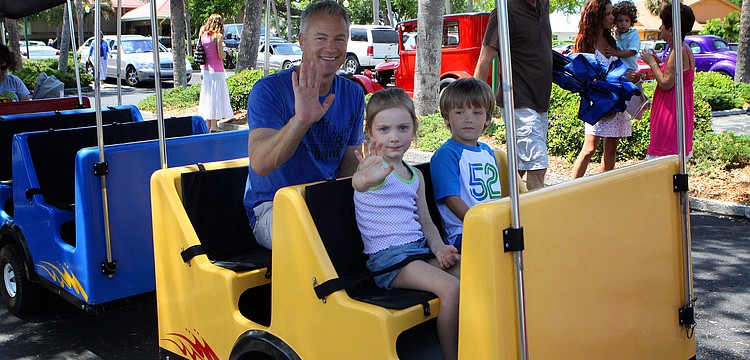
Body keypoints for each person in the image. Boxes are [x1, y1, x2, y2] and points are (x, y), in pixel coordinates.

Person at [243, 0, 364, 250]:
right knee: (317, 235)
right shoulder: (268, 91)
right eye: (321, 38)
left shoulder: (353, 94)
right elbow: (261, 163)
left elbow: (349, 167)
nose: (331, 47)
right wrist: (301, 121)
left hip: (324, 201)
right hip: (274, 208)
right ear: (301, 41)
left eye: (339, 39)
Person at [353, 88, 460, 360]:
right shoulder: (371, 170)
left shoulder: (415, 175)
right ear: (370, 133)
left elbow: (426, 222)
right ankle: (453, 355)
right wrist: (366, 177)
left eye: (402, 127)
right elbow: (360, 185)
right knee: (452, 288)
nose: (394, 137)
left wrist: (439, 248)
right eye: (384, 129)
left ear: (414, 129)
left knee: (475, 272)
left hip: (419, 251)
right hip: (389, 260)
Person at [474, 1, 552, 191]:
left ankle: (504, 209)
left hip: (540, 101)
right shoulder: (505, 10)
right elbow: (485, 59)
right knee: (537, 167)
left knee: (518, 169)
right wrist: (475, 105)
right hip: (518, 101)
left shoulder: (543, 4)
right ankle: (536, 218)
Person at [569, 0, 639, 178]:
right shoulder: (586, 42)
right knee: (589, 148)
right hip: (598, 101)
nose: (612, 18)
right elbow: (582, 75)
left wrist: (627, 78)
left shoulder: (610, 40)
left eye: (611, 14)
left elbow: (620, 65)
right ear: (597, 16)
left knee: (611, 150)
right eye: (607, 14)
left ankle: (603, 190)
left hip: (615, 101)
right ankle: (570, 189)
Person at [431, 78, 502, 252]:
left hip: (491, 225)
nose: (468, 119)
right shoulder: (447, 154)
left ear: (487, 119)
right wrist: (479, 222)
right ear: (447, 119)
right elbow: (451, 198)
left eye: (477, 113)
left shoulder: (488, 152)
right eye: (460, 112)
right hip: (464, 232)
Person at [640, 3, 695, 159]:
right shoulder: (684, 49)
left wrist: (651, 62)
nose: (660, 29)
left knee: (665, 161)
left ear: (671, 29)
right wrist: (659, 64)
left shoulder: (678, 51)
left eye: (662, 25)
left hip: (671, 115)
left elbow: (666, 83)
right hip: (677, 112)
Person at [197, 14, 233, 133]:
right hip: (217, 70)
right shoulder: (218, 36)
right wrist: (228, 53)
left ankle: (208, 124)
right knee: (216, 97)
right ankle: (214, 125)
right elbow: (220, 55)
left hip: (206, 69)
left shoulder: (203, 33)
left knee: (208, 96)